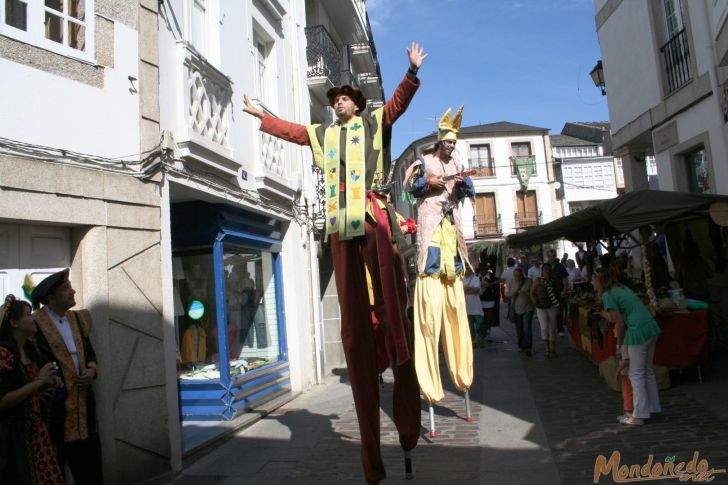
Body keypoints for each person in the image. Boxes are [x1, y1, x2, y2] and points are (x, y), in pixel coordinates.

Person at [242, 43, 427, 484]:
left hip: (375, 219)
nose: (339, 101)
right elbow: (292, 131)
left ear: (357, 103)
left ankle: (396, 356)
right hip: (341, 229)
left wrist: (411, 72)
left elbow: (398, 103)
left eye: (345, 97)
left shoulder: (373, 123)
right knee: (352, 329)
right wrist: (260, 117)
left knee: (391, 311)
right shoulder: (323, 135)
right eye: (335, 98)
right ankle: (368, 374)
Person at [404, 104, 475, 405]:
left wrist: (461, 183)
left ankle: (461, 373)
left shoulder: (456, 162)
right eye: (448, 142)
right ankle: (430, 382)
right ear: (439, 140)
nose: (451, 146)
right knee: (430, 273)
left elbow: (468, 191)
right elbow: (410, 187)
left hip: (449, 229)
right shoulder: (425, 159)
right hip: (431, 226)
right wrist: (429, 183)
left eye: (454, 143)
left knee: (452, 282)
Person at [30, 269, 102, 484]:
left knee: (90, 470)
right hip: (55, 411)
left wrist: (92, 370)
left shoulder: (79, 319)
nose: (73, 291)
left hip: (84, 409)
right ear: (50, 297)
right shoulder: (34, 324)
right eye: (66, 288)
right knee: (55, 469)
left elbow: (89, 352)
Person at [0, 295, 65, 485]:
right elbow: (2, 401)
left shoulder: (29, 350)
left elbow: (28, 389)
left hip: (36, 433)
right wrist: (38, 382)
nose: (34, 318)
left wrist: (47, 384)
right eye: (28, 315)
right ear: (14, 323)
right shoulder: (4, 354)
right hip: (13, 437)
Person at [591, 268, 662, 425]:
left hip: (638, 330)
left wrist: (619, 345)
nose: (591, 282)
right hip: (649, 326)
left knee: (635, 374)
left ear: (599, 281)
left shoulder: (607, 295)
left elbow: (619, 323)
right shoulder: (621, 288)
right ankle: (651, 407)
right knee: (647, 371)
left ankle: (639, 414)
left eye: (593, 279)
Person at [530, 263, 560, 358]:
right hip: (541, 307)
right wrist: (535, 303)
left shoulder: (554, 281)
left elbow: (558, 293)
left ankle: (553, 350)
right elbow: (532, 293)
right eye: (545, 269)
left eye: (548, 269)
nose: (547, 271)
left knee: (552, 328)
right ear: (542, 271)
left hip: (552, 306)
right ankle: (547, 349)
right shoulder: (538, 281)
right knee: (544, 327)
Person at [506, 269, 534, 356]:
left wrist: (526, 293)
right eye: (515, 276)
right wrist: (514, 293)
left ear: (522, 275)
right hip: (516, 309)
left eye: (519, 275)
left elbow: (533, 293)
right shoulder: (511, 282)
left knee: (527, 328)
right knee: (519, 329)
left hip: (528, 308)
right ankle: (521, 345)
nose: (517, 277)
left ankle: (528, 347)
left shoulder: (529, 281)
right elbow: (506, 294)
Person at [545, 249, 569, 337]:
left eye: (553, 256)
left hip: (559, 292)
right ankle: (552, 328)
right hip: (549, 293)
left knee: (559, 312)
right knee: (550, 312)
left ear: (555, 256)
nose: (551, 258)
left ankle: (560, 329)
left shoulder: (560, 266)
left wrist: (564, 290)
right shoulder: (545, 266)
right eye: (550, 256)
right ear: (547, 256)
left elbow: (565, 279)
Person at [463, 266, 485, 348]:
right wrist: (469, 289)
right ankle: (473, 341)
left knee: (480, 324)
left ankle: (481, 338)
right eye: (467, 268)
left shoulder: (476, 278)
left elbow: (476, 289)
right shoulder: (461, 279)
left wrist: (465, 289)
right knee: (470, 326)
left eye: (469, 269)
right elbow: (460, 290)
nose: (468, 270)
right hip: (466, 307)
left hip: (476, 306)